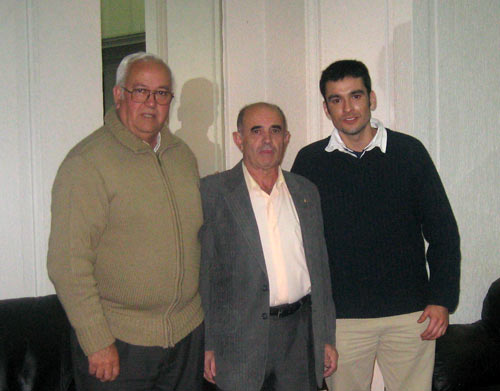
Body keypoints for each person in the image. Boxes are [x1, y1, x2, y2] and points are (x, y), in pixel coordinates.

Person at [291, 59, 461, 391]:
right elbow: (297, 242)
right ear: (326, 109)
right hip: (342, 319)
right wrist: (313, 317)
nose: (348, 108)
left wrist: (441, 297)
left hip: (411, 316)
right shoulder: (310, 162)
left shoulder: (409, 153)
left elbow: (443, 232)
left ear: (372, 98)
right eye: (336, 100)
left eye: (355, 96)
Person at [47, 52, 204, 391]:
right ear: (118, 95)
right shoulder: (86, 163)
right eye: (140, 91)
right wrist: (96, 340)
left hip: (186, 337)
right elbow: (67, 264)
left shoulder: (183, 157)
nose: (151, 102)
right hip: (119, 344)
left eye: (162, 93)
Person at [199, 102, 337, 391]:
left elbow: (320, 270)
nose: (267, 139)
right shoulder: (213, 193)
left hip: (299, 335)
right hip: (238, 338)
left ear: (286, 138)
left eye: (275, 131)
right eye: (256, 131)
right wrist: (208, 343)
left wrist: (325, 337)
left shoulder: (306, 191)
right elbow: (205, 274)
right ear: (239, 139)